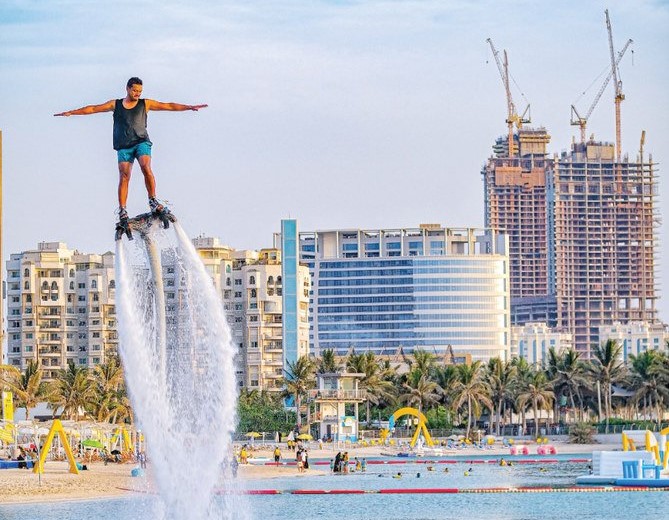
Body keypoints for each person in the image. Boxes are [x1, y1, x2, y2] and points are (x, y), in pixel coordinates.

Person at [54, 77, 207, 230]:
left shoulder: (145, 103)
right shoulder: (116, 104)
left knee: (146, 167)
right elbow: (94, 108)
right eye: (134, 90)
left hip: (142, 142)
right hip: (124, 146)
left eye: (140, 91)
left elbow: (167, 106)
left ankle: (153, 200)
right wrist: (71, 113)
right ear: (127, 89)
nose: (137, 94)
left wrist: (189, 107)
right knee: (124, 176)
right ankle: (122, 210)